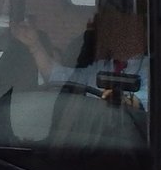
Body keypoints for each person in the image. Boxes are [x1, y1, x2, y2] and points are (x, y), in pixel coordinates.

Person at [11, 10, 148, 108]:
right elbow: (58, 76)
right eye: (113, 30)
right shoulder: (102, 67)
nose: (115, 36)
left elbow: (145, 105)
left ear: (140, 34)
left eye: (124, 29)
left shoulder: (153, 69)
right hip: (92, 137)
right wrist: (35, 45)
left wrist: (120, 99)